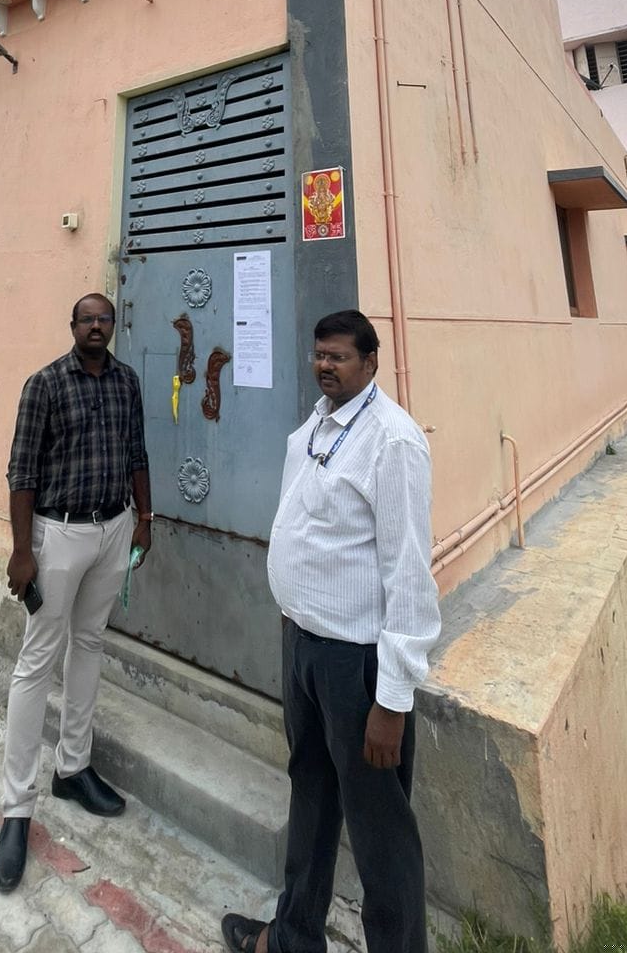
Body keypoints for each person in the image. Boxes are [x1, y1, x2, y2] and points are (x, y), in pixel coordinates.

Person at [222, 310, 440, 953]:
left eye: (339, 357)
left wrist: (392, 701)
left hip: (356, 665)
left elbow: (408, 575)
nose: (325, 366)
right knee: (311, 795)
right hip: (303, 647)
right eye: (319, 354)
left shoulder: (393, 442)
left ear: (370, 362)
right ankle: (292, 937)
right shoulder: (319, 423)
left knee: (380, 831)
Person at [0, 292, 154, 893]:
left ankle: (73, 768)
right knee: (37, 661)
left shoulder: (127, 381)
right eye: (87, 319)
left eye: (104, 319)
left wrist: (145, 517)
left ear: (113, 326)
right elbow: (22, 471)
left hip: (114, 530)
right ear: (73, 325)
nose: (96, 327)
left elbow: (137, 451)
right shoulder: (45, 385)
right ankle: (16, 809)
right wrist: (22, 550)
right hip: (57, 535)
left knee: (89, 644)